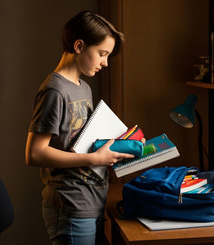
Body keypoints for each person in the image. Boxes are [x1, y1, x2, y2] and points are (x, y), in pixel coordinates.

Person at [25, 11, 132, 245]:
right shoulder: (55, 91)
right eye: (102, 54)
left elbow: (80, 143)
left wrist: (124, 145)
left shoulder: (83, 87)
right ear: (79, 45)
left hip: (91, 199)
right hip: (70, 203)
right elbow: (34, 153)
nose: (105, 62)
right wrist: (93, 159)